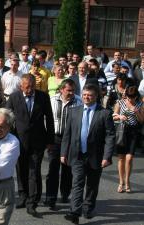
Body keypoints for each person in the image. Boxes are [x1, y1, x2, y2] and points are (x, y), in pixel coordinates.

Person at [61, 84, 115, 224]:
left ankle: (88, 208)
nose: (86, 97)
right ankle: (74, 212)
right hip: (77, 154)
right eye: (84, 94)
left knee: (92, 185)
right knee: (77, 183)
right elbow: (67, 134)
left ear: (96, 96)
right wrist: (63, 152)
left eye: (89, 95)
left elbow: (110, 136)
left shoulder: (104, 113)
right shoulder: (74, 111)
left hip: (95, 156)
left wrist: (107, 156)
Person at [5, 74, 54, 217]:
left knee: (34, 170)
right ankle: (23, 196)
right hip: (19, 140)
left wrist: (50, 141)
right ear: (21, 86)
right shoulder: (14, 97)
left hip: (38, 140)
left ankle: (32, 202)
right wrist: (5, 138)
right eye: (27, 87)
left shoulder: (43, 97)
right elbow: (6, 116)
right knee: (21, 169)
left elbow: (49, 118)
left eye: (32, 86)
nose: (30, 89)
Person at [45, 79, 82, 209]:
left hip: (71, 140)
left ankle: (65, 194)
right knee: (53, 168)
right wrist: (47, 138)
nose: (71, 93)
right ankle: (50, 198)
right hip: (55, 138)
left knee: (67, 168)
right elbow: (46, 118)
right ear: (61, 89)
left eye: (73, 90)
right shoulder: (52, 100)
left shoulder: (78, 101)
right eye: (68, 90)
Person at [113, 86, 143, 193]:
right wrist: (120, 117)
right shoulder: (120, 102)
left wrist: (136, 111)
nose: (130, 99)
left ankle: (127, 181)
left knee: (129, 158)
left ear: (136, 96)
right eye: (129, 97)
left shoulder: (139, 104)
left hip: (133, 132)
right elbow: (113, 116)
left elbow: (141, 120)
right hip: (122, 131)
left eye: (133, 97)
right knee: (121, 158)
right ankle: (121, 182)